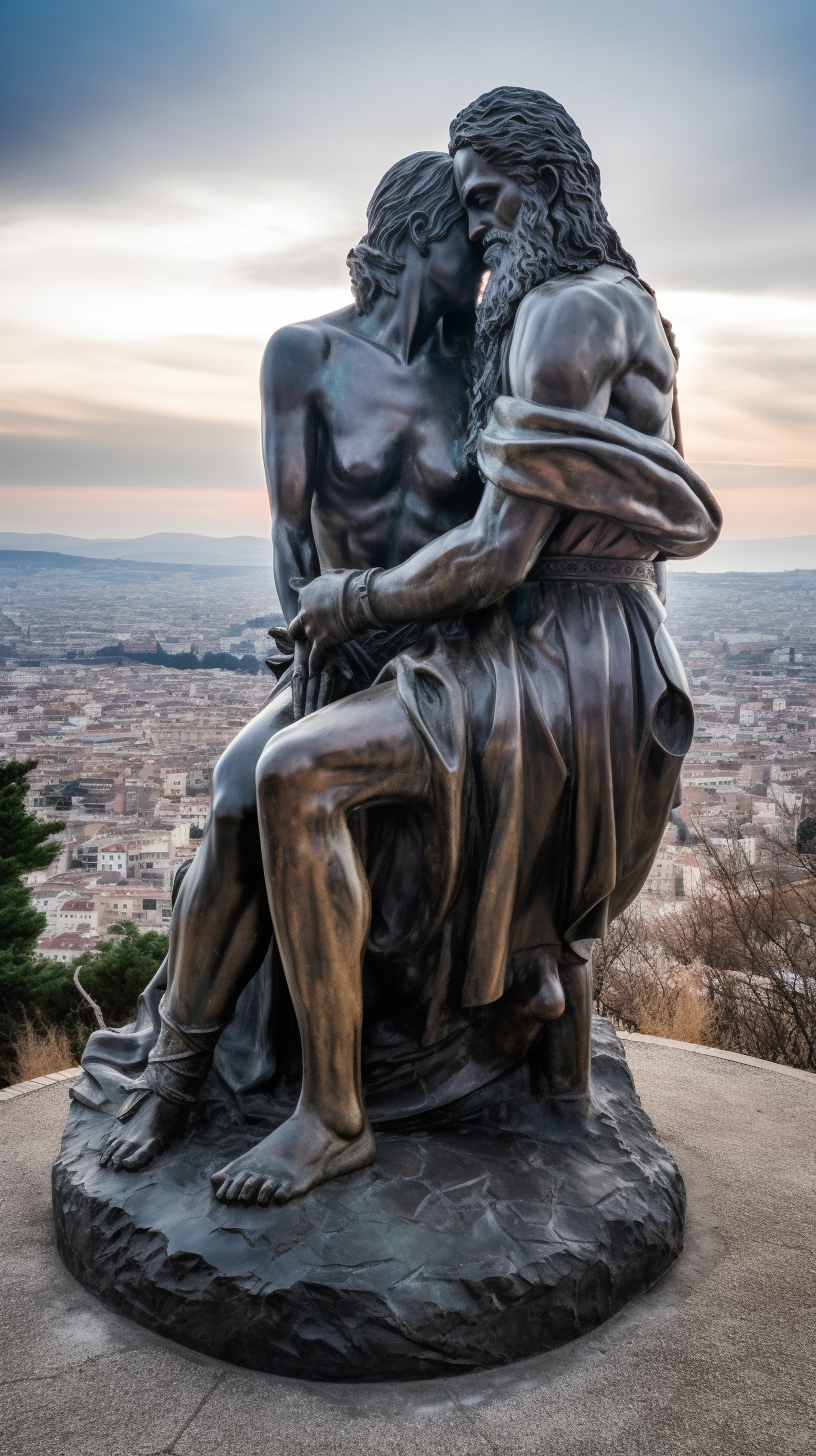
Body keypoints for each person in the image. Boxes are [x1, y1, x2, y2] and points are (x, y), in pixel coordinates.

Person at [201, 87, 722, 1206]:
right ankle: (556, 1088)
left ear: (542, 182)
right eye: (466, 217)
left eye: (487, 204)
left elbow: (493, 555)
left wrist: (351, 600)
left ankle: (332, 1117)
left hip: (554, 651)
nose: (482, 237)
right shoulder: (630, 306)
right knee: (306, 781)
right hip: (607, 646)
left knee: (297, 776)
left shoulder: (559, 317)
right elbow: (659, 520)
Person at [92, 150, 487, 1169]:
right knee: (234, 794)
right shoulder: (304, 353)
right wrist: (314, 653)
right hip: (333, 646)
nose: (478, 270)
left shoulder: (480, 360)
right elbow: (290, 532)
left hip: (445, 667)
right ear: (410, 243)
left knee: (287, 782)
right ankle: (174, 1076)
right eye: (461, 246)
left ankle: (333, 1105)